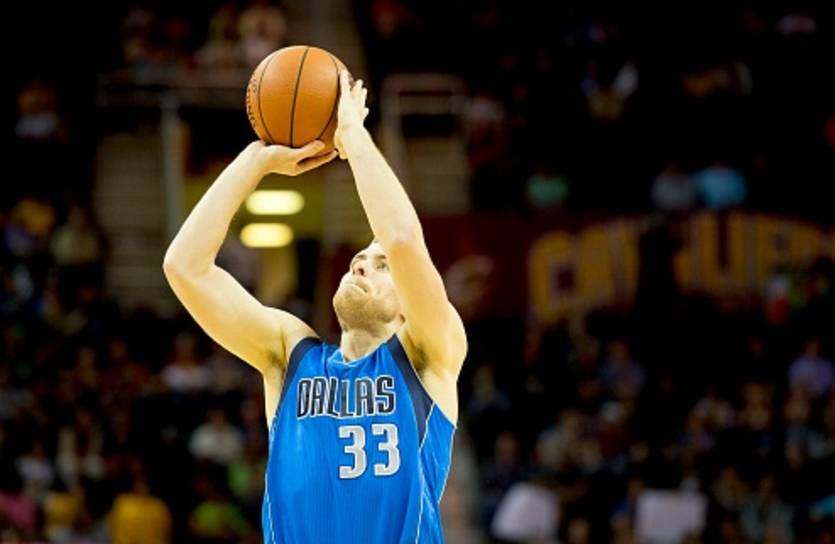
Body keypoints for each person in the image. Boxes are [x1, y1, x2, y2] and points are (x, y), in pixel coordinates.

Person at [163, 71, 467, 543]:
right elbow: (184, 267)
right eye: (358, 259)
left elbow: (404, 239)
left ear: (409, 306)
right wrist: (255, 161)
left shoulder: (428, 353)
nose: (361, 265)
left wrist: (353, 136)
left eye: (381, 265)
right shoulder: (291, 354)